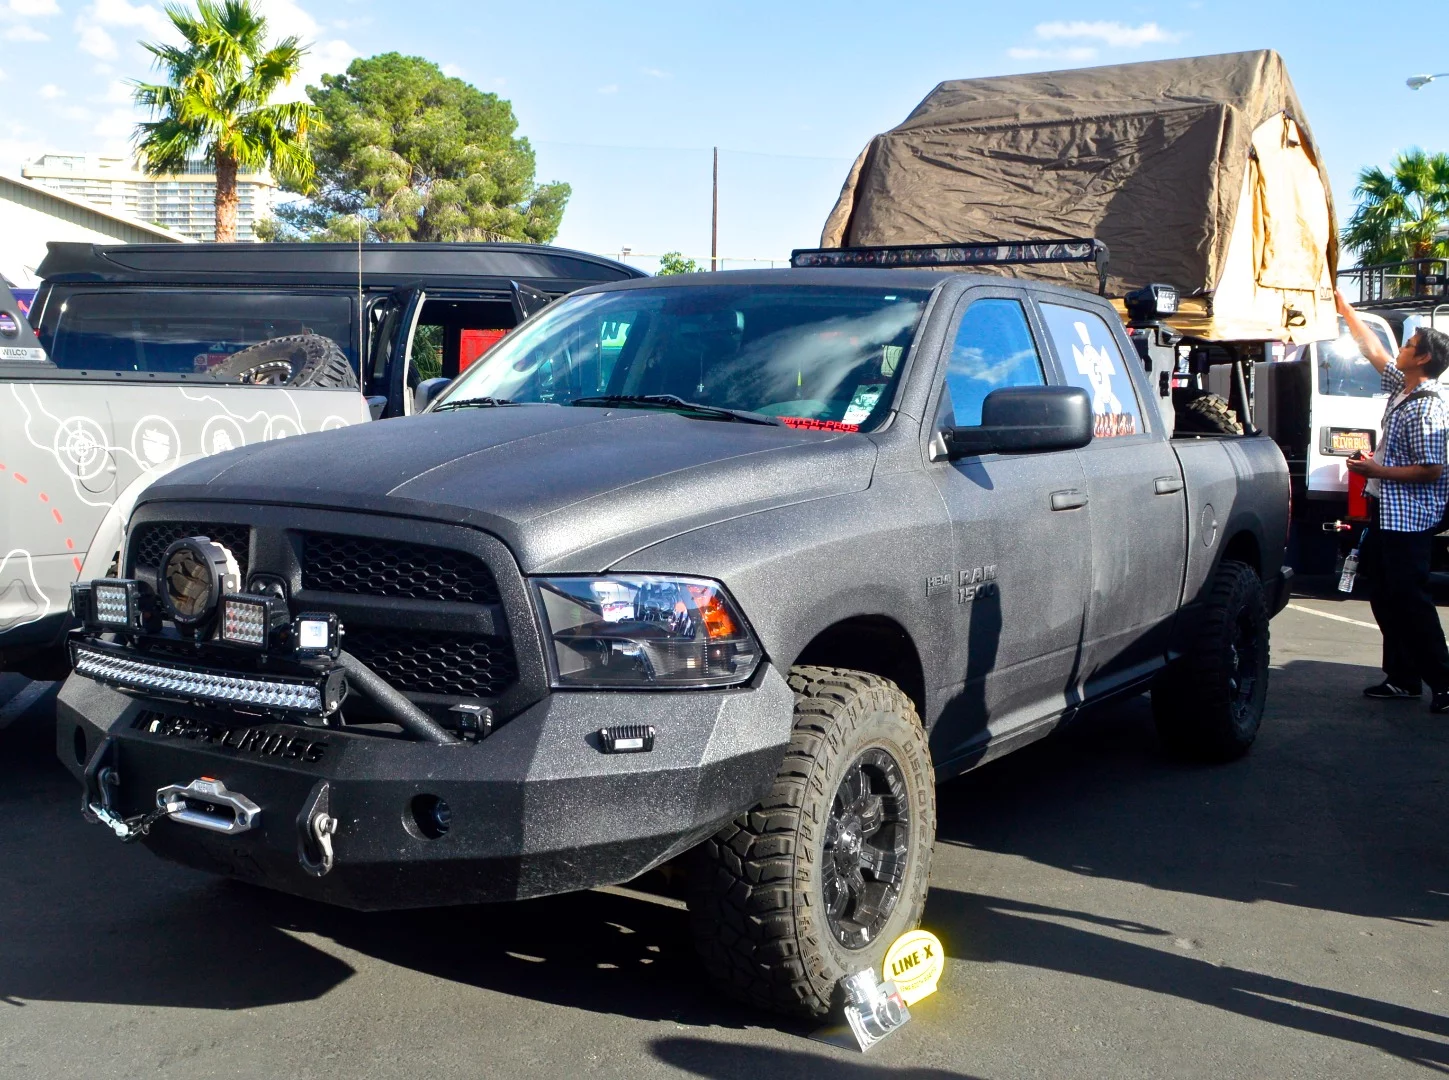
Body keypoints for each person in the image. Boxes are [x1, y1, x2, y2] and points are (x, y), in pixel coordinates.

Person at [1335, 289, 1449, 711]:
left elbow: (1431, 469)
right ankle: (1403, 678)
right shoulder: (1404, 388)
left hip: (1411, 518)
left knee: (1410, 599)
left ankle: (1443, 681)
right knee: (1385, 595)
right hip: (1389, 511)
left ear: (1422, 360)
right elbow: (1373, 351)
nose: (1400, 350)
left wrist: (1376, 471)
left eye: (1409, 346)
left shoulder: (1427, 408)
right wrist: (1347, 310)